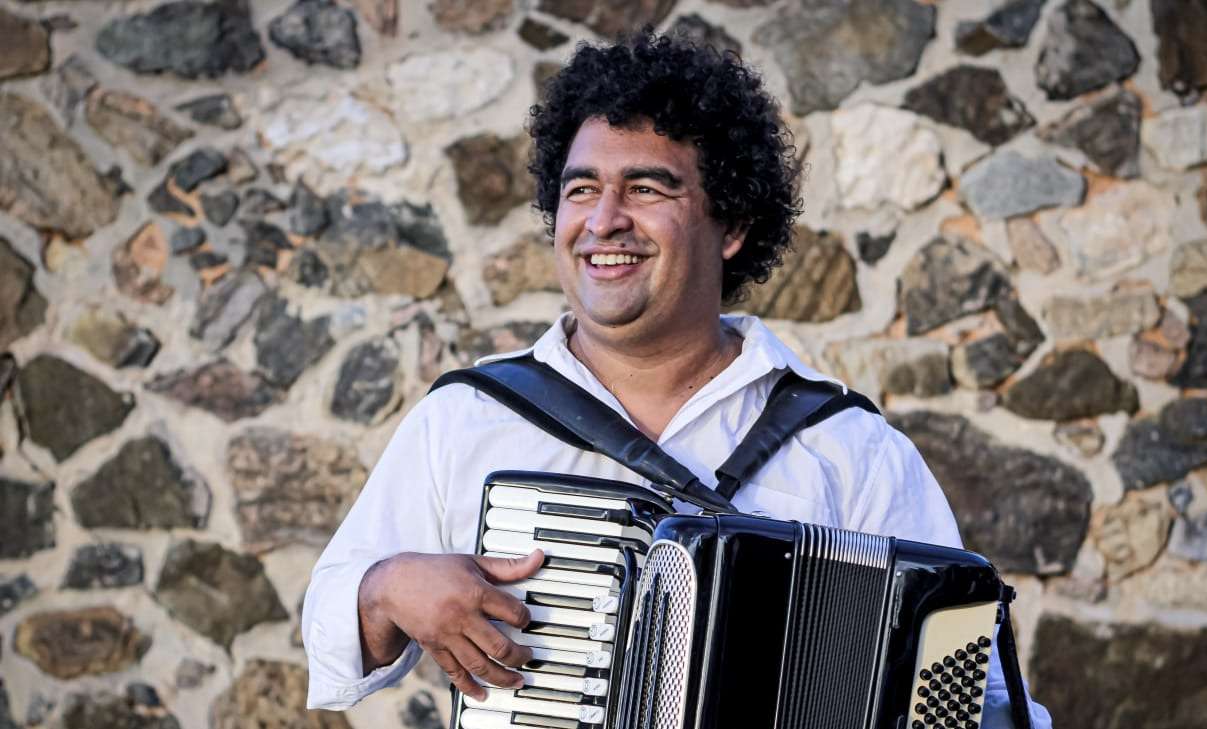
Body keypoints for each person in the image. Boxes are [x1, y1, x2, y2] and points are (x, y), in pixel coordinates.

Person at [302, 29, 1052, 728]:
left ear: (731, 227)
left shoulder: (849, 448)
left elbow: (983, 697)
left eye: (648, 189)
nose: (603, 222)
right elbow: (332, 634)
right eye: (582, 189)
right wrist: (389, 585)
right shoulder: (467, 419)